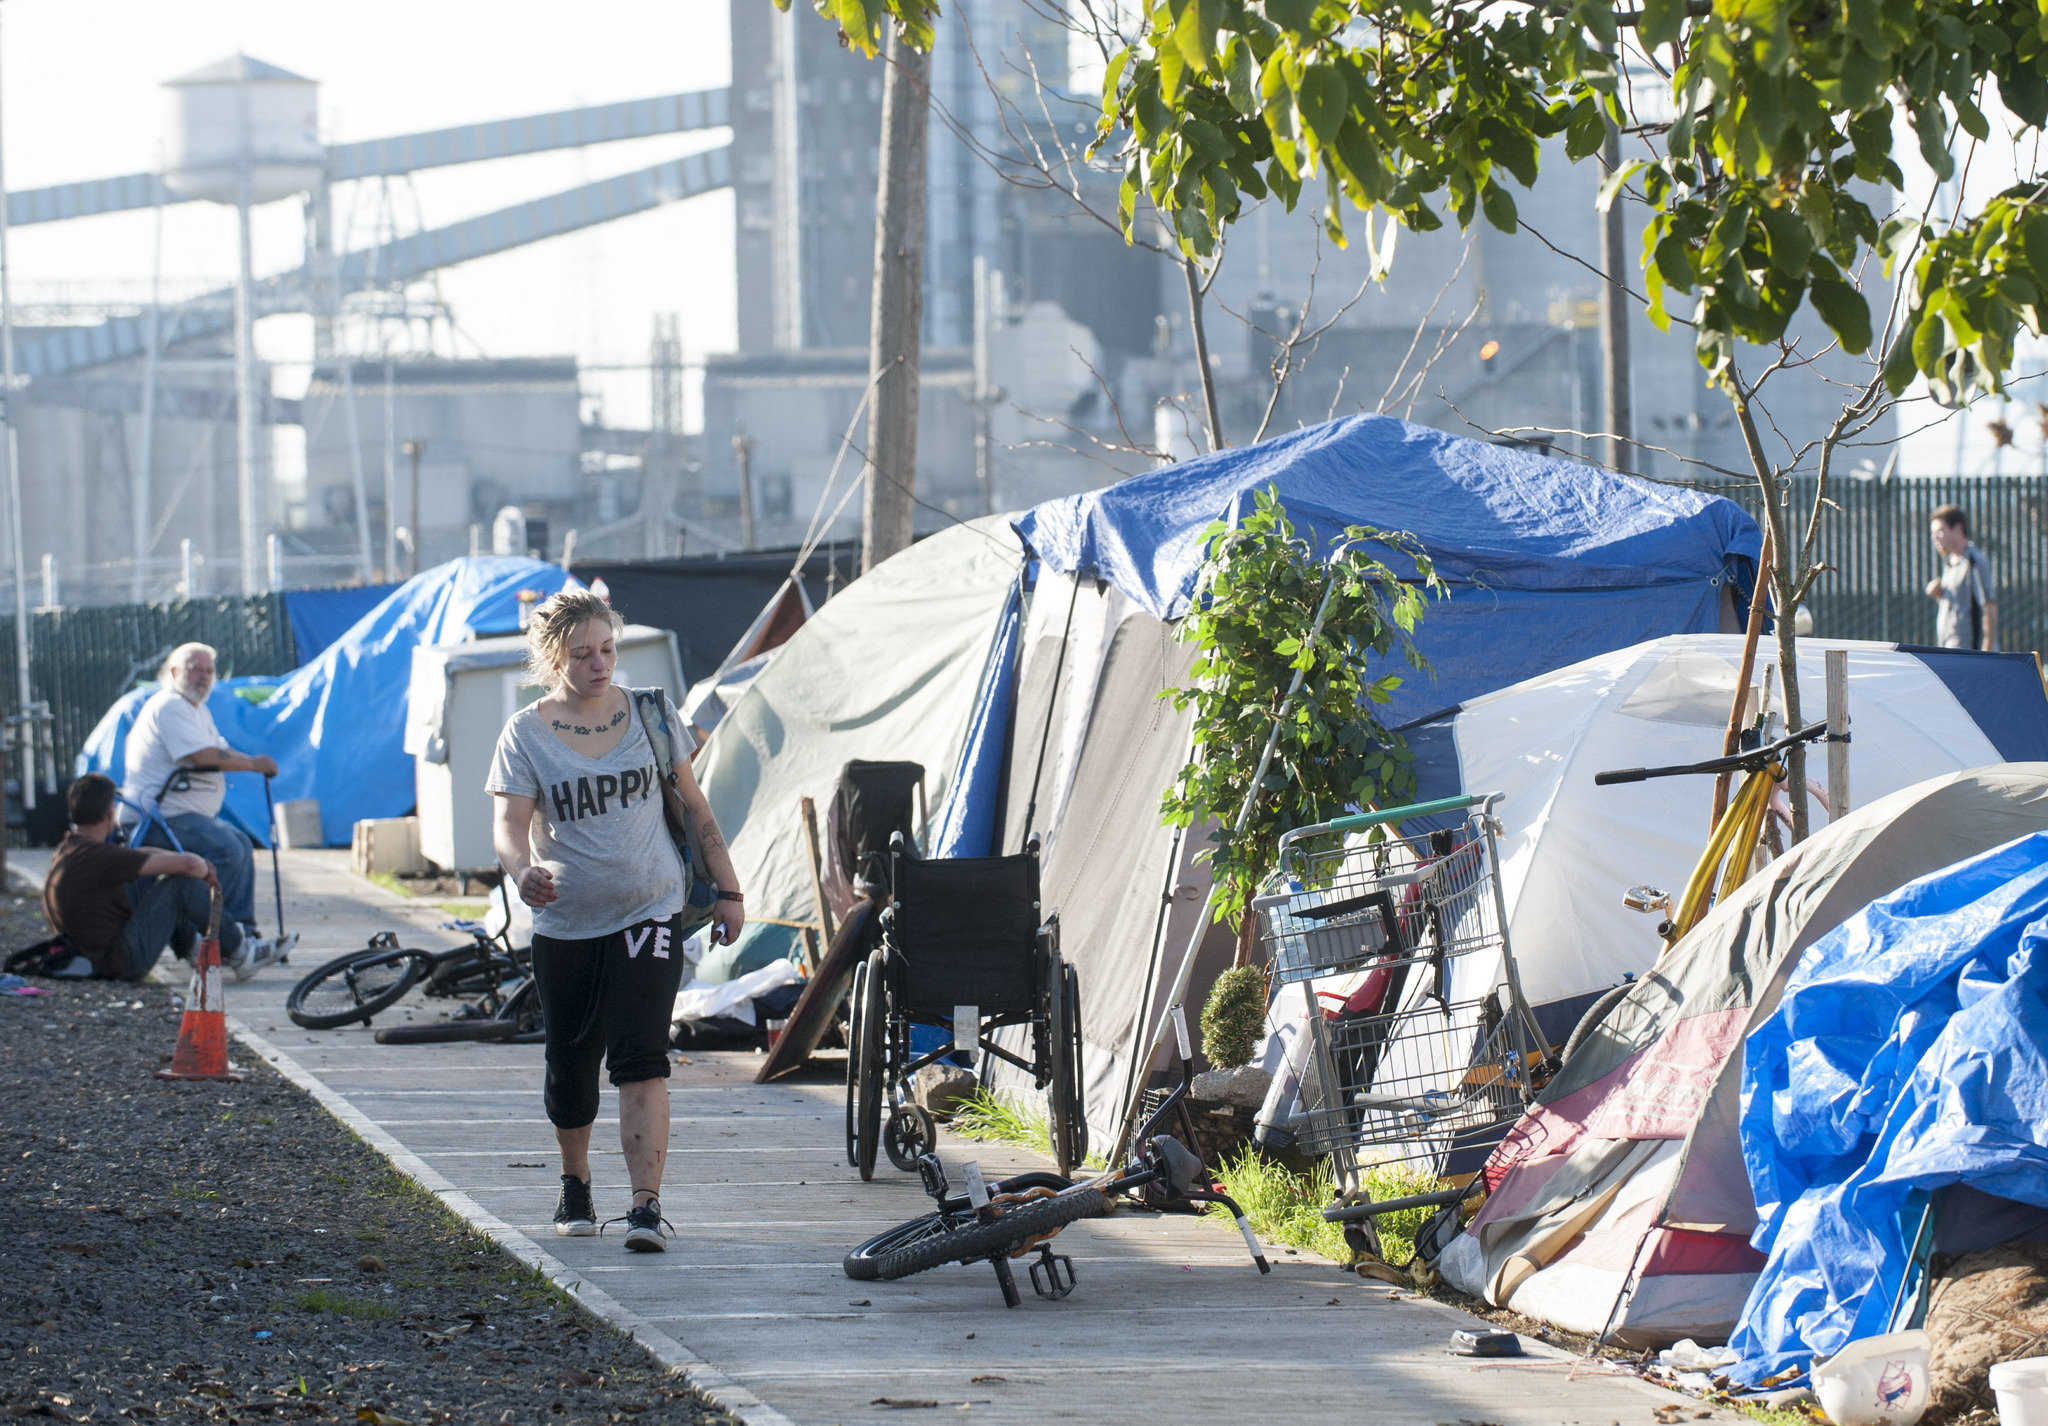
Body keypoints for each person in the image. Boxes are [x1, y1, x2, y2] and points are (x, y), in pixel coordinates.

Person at [486, 589, 745, 1253]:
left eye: (607, 649)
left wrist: (728, 888)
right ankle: (576, 1182)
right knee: (570, 1065)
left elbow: (693, 805)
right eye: (583, 654)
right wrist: (522, 872)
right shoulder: (525, 733)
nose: (600, 664)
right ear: (553, 659)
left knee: (641, 1058)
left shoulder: (652, 715)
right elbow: (509, 825)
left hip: (648, 910)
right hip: (567, 922)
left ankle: (646, 1207)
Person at [119, 642, 289, 977]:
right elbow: (203, 757)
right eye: (194, 668)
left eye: (209, 670)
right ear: (173, 673)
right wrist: (254, 763)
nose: (203, 676)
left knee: (240, 843)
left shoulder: (196, 709)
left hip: (180, 815)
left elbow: (219, 749)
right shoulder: (170, 706)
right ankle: (212, 936)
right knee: (225, 848)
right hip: (156, 819)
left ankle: (240, 934)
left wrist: (251, 762)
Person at [43, 772, 237, 983]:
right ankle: (239, 949)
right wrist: (205, 868)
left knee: (146, 876)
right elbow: (190, 866)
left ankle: (192, 945)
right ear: (110, 812)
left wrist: (180, 859)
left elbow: (141, 855)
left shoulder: (70, 848)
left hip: (89, 953)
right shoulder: (101, 856)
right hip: (121, 963)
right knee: (182, 884)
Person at [1926, 504, 1998, 651]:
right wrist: (1939, 594)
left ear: (1958, 529)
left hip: (1969, 654)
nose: (1935, 538)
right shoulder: (1949, 564)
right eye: (1933, 534)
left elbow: (1988, 607)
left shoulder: (1974, 561)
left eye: (1939, 531)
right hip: (1950, 650)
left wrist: (1987, 651)